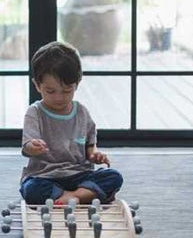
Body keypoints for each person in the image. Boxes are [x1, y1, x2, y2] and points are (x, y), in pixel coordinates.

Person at [20, 41, 123, 205]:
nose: (59, 98)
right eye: (50, 91)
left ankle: (72, 197)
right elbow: (27, 147)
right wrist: (33, 146)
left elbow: (90, 146)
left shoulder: (82, 112)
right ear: (37, 86)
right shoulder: (35, 113)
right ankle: (82, 195)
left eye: (67, 91)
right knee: (31, 189)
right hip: (45, 176)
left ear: (77, 83)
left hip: (79, 175)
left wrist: (95, 155)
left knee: (114, 176)